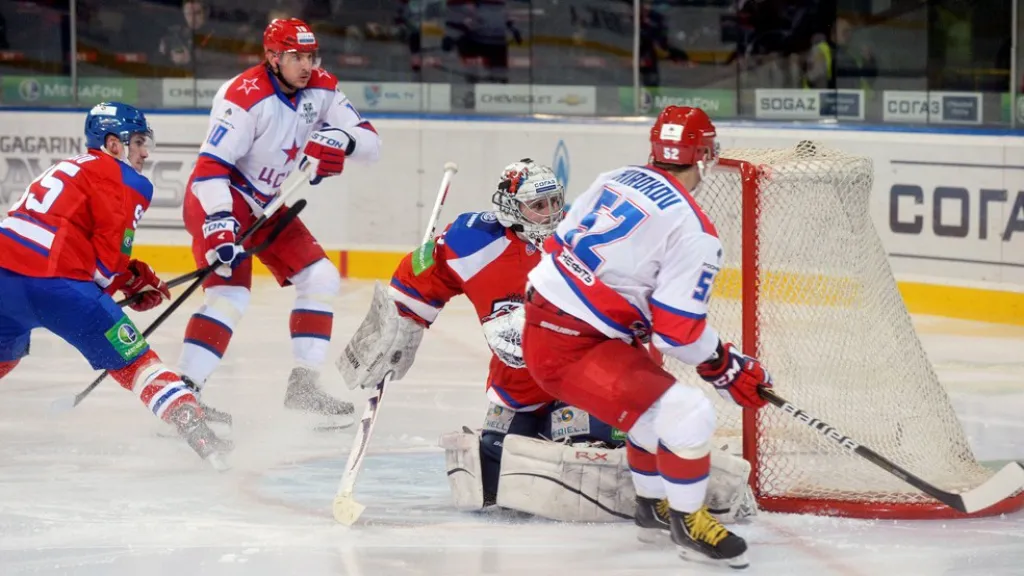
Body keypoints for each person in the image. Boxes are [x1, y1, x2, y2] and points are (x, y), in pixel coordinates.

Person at [339, 159, 757, 524]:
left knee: (587, 453)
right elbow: (418, 277)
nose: (552, 214)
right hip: (518, 380)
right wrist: (398, 327)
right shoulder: (472, 240)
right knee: (492, 474)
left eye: (556, 202)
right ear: (509, 208)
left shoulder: (582, 232)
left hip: (591, 370)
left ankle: (660, 477)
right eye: (538, 206)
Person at [521, 106, 773, 568]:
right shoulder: (695, 231)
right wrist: (724, 364)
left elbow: (563, 243)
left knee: (650, 410)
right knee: (688, 408)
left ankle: (652, 506)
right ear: (704, 155)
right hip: (573, 346)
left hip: (552, 324)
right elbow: (677, 333)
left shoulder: (616, 176)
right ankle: (688, 522)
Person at [0, 102, 232, 468]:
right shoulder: (129, 180)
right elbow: (104, 270)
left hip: (4, 279)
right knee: (137, 364)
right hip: (58, 284)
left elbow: (69, 237)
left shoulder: (69, 167)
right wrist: (127, 282)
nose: (144, 152)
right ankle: (201, 435)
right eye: (137, 141)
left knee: (3, 356)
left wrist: (131, 277)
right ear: (113, 144)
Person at [176, 17, 381, 427]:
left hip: (267, 204)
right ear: (271, 57)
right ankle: (183, 397)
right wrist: (219, 222)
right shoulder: (244, 96)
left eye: (310, 56)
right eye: (295, 57)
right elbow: (210, 168)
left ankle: (303, 386)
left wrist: (341, 140)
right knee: (229, 297)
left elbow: (371, 144)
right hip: (220, 198)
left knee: (321, 278)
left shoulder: (321, 87)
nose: (305, 65)